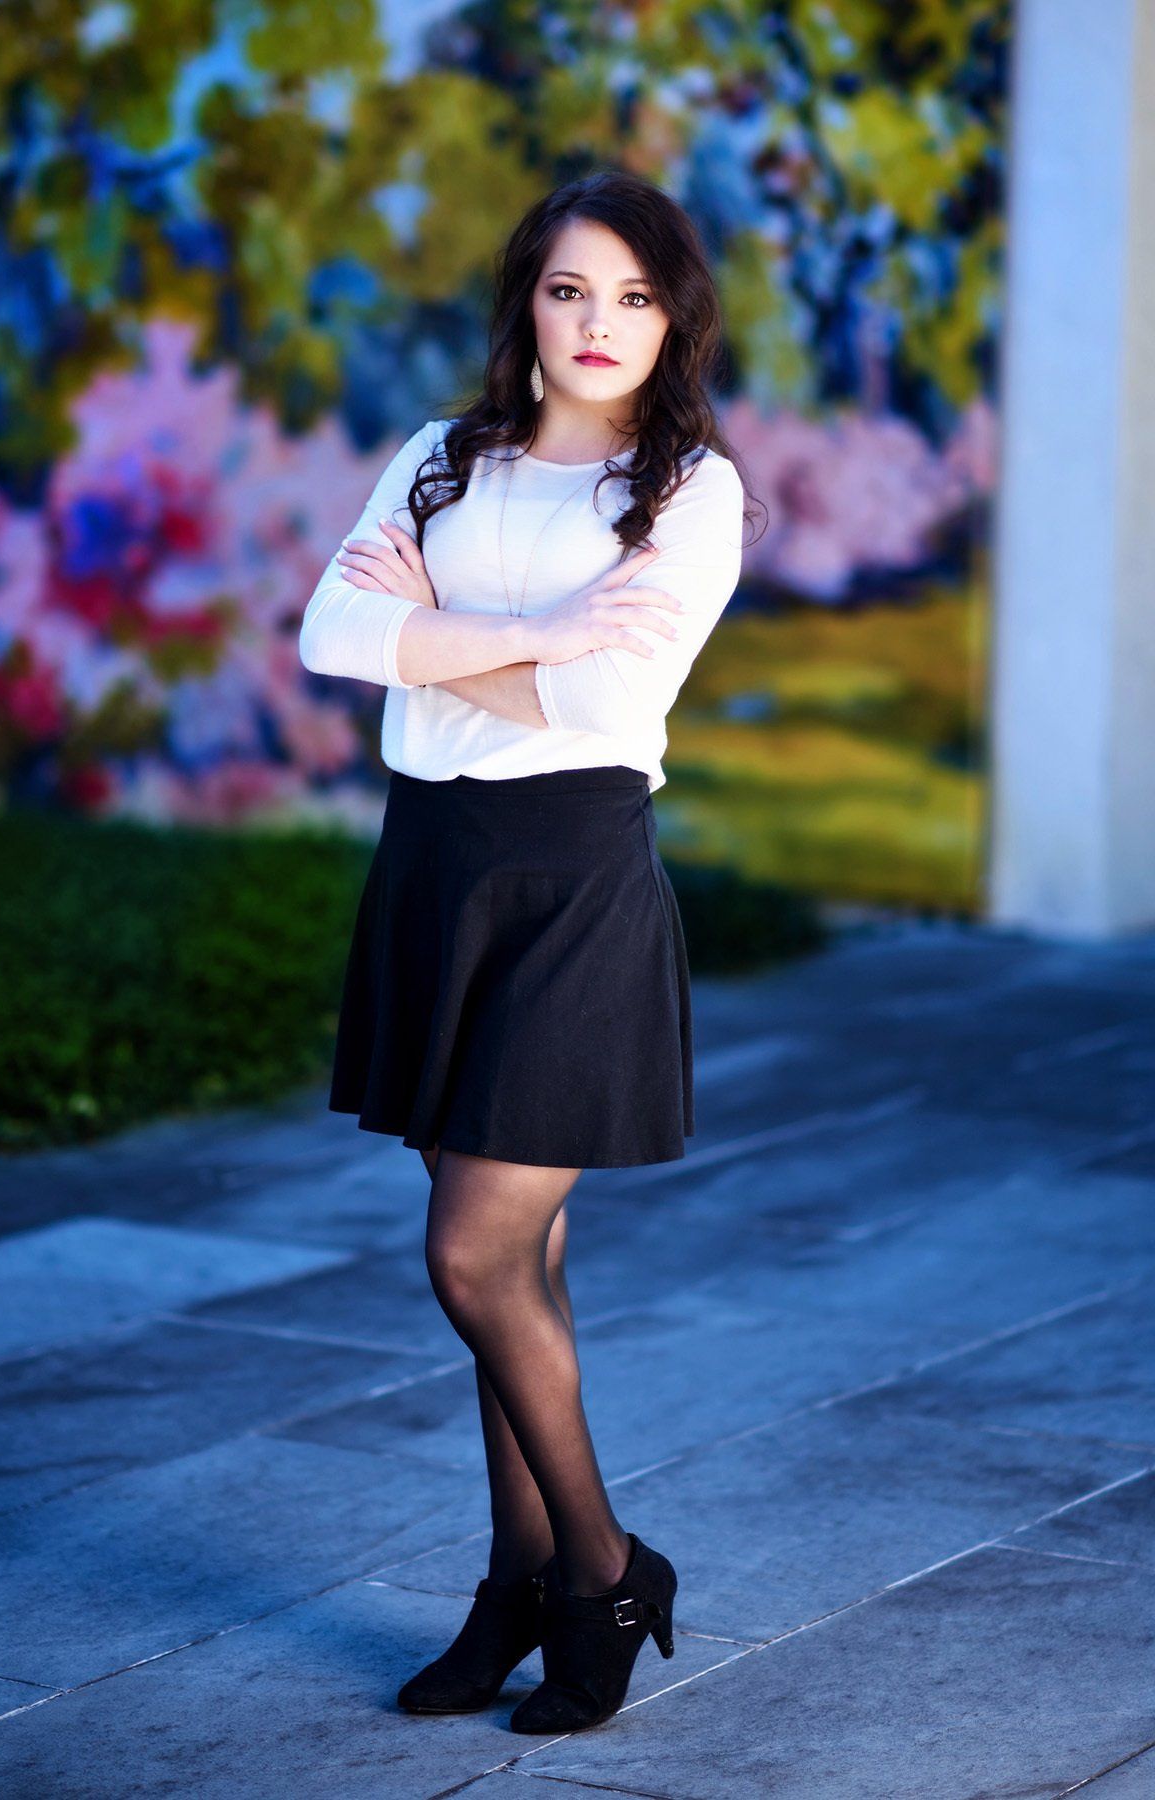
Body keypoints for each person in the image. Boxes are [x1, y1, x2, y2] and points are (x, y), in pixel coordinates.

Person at [299, 167, 756, 1735]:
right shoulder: (441, 459)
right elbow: (333, 636)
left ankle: (606, 1571)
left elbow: (607, 705)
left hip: (573, 879)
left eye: (635, 296)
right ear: (529, 305)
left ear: (672, 319)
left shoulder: (689, 490)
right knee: (522, 1262)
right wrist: (542, 639)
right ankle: (519, 1583)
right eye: (571, 290)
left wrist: (438, 642)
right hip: (434, 869)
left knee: (475, 1254)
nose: (600, 323)